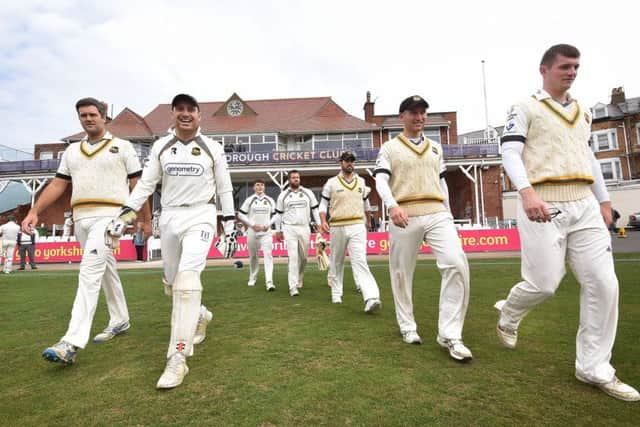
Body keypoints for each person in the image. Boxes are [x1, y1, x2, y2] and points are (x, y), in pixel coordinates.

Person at [496, 44, 639, 402]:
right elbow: (510, 151)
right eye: (565, 66)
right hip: (544, 201)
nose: (572, 72)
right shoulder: (524, 107)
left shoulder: (584, 111)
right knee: (544, 284)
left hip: (584, 204)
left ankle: (594, 367)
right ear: (544, 69)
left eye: (576, 66)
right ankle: (510, 311)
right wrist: (526, 193)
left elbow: (589, 157)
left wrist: (604, 200)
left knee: (605, 284)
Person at [108, 93, 236, 389]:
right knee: (172, 285)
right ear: (173, 114)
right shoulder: (161, 147)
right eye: (180, 109)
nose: (186, 113)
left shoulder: (212, 148)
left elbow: (225, 189)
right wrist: (125, 215)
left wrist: (228, 225)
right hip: (170, 218)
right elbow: (146, 185)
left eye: (191, 109)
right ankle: (201, 314)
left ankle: (177, 358)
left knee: (188, 280)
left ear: (200, 116)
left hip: (201, 216)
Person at [22, 97, 144, 365]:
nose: (88, 119)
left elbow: (139, 185)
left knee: (89, 273)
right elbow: (57, 185)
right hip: (81, 219)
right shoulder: (72, 151)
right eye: (83, 116)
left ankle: (71, 342)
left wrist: (139, 218)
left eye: (92, 114)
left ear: (104, 117)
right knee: (106, 271)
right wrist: (34, 211)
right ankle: (120, 319)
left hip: (110, 217)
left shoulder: (122, 147)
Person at [374, 95, 472, 362]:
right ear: (402, 116)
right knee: (401, 273)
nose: (419, 118)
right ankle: (408, 326)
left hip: (437, 212)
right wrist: (392, 206)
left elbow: (442, 184)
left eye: (423, 113)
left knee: (456, 264)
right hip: (404, 214)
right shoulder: (389, 148)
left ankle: (451, 334)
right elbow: (381, 181)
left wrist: (449, 214)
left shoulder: (436, 148)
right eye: (414, 113)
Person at [319, 151, 381, 312]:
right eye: (347, 161)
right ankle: (336, 292)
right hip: (338, 225)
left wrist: (368, 220)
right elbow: (322, 205)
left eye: (352, 161)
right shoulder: (331, 183)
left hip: (357, 225)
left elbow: (366, 204)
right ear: (341, 163)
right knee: (336, 260)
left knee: (360, 260)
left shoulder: (361, 182)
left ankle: (371, 297)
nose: (350, 164)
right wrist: (323, 221)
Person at [274, 170, 320, 296]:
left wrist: (319, 224)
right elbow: (278, 214)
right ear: (289, 180)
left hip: (304, 227)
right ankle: (293, 287)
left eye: (298, 177)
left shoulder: (308, 193)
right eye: (293, 177)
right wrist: (278, 230)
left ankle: (300, 277)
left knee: (304, 258)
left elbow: (315, 210)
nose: (296, 179)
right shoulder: (283, 195)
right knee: (293, 257)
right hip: (289, 228)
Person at [237, 179, 276, 291]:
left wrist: (268, 224)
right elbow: (240, 214)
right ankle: (253, 277)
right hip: (252, 232)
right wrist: (252, 225)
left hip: (266, 232)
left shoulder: (270, 200)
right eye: (257, 185)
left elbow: (276, 215)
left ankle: (269, 282)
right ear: (254, 188)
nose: (260, 187)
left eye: (262, 185)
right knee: (253, 257)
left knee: (268, 255)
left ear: (264, 187)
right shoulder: (250, 200)